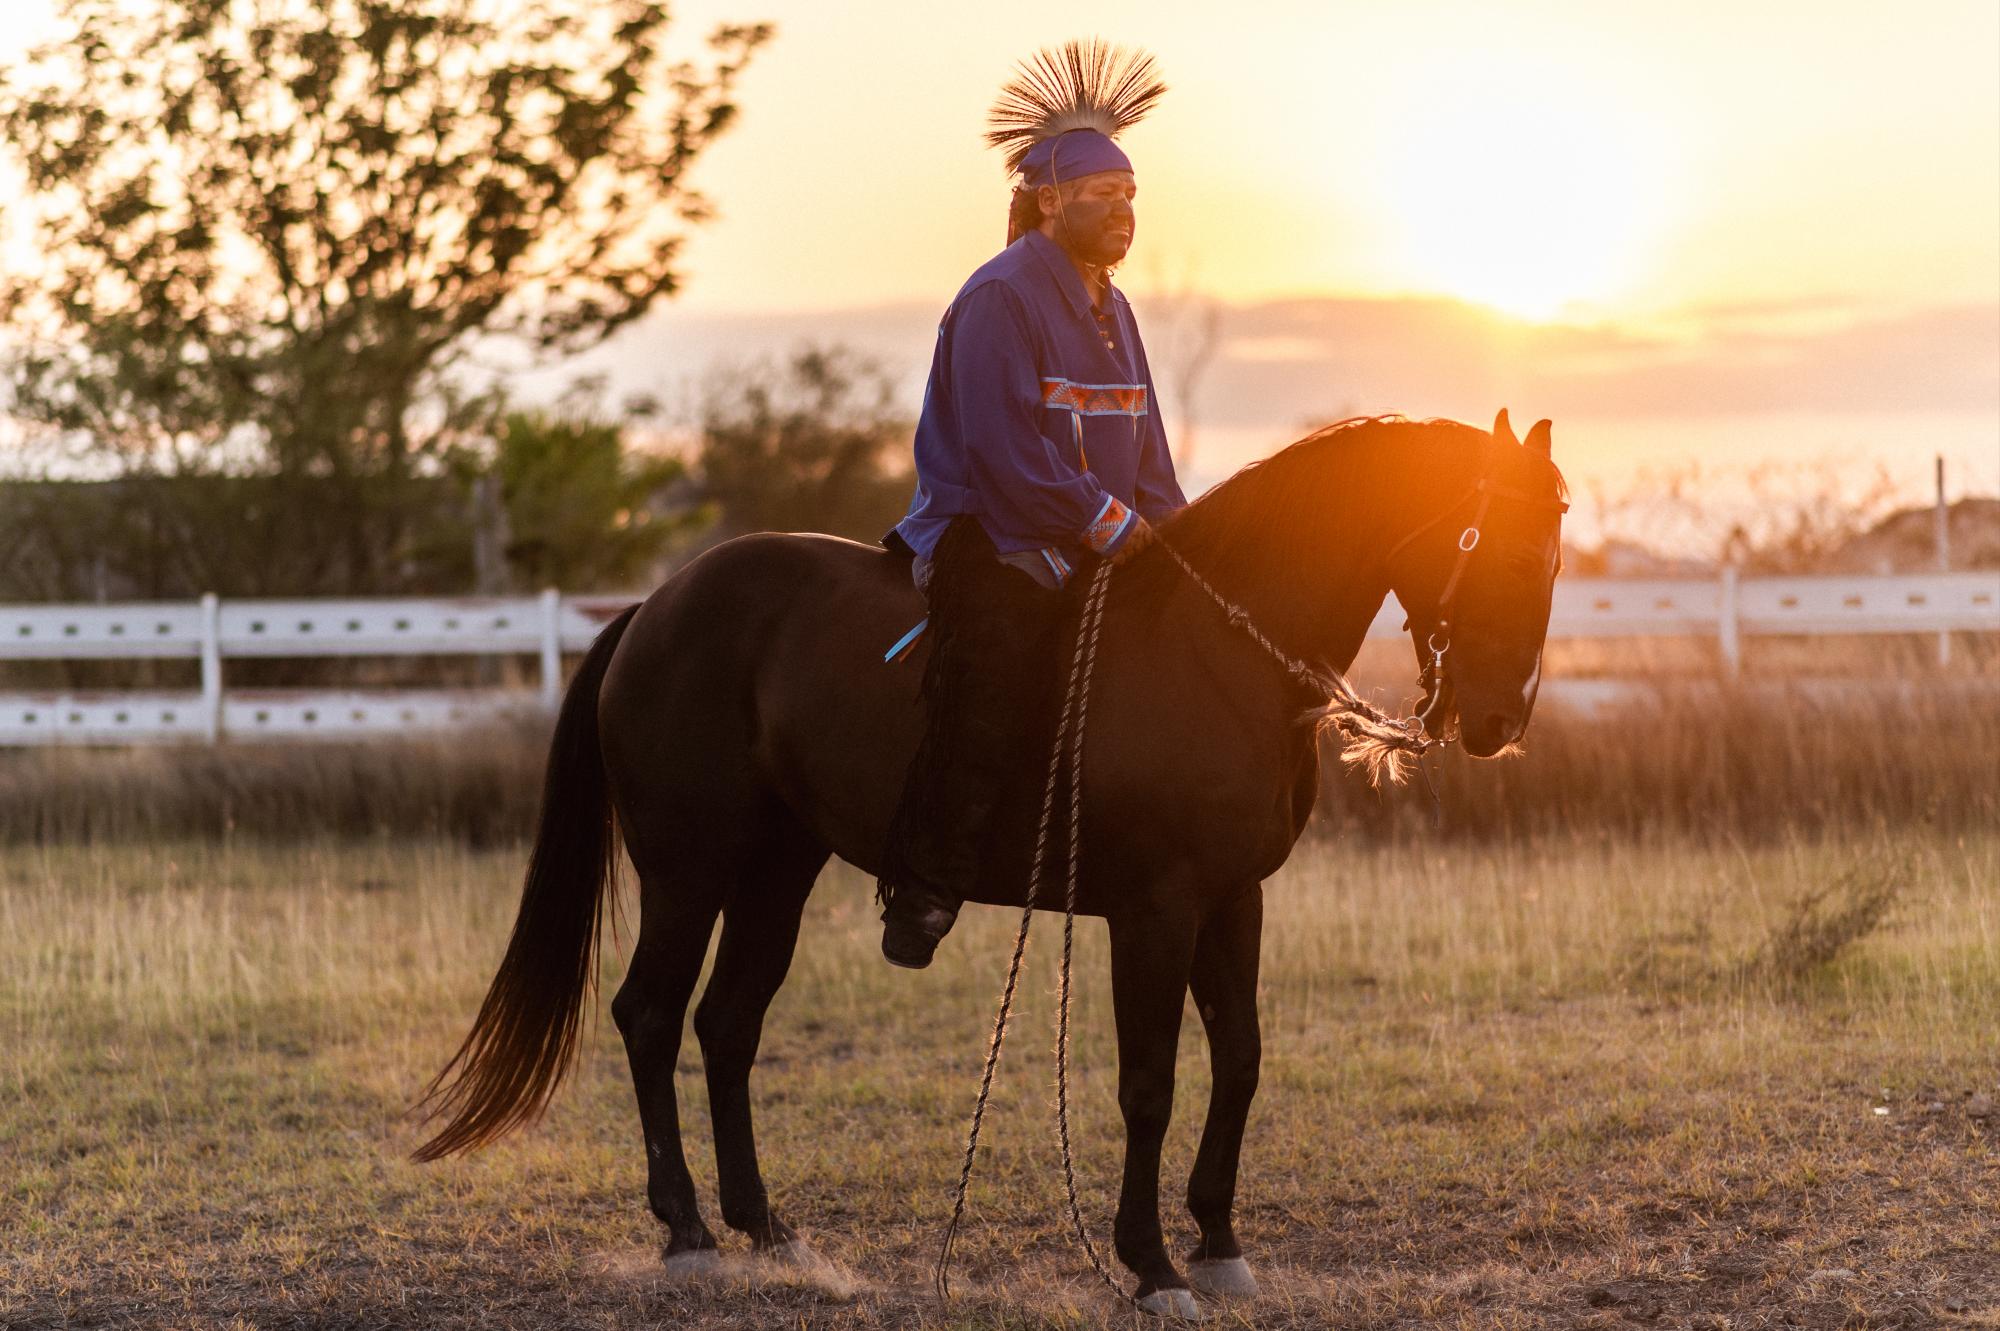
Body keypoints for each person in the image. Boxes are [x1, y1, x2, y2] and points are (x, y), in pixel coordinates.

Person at [877, 43, 1187, 969]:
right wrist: (1110, 525)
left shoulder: (1116, 312)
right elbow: (1006, 459)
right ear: (1051, 201)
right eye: (1107, 195)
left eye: (1134, 195)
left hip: (1099, 540)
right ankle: (927, 882)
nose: (1126, 212)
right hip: (993, 534)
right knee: (997, 671)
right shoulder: (997, 299)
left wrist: (1182, 539)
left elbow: (1154, 465)